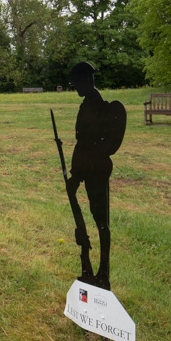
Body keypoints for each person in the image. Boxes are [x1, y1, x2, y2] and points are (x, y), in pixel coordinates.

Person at [64, 61, 125, 290]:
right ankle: (89, 270)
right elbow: (81, 145)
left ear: (87, 81)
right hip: (85, 169)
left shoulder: (98, 107)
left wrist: (79, 174)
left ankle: (103, 273)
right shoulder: (86, 104)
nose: (76, 88)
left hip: (96, 170)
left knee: (101, 222)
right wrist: (75, 175)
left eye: (77, 83)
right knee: (93, 217)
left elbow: (91, 146)